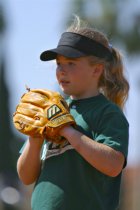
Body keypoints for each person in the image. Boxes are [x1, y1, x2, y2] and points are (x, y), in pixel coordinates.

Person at [17, 16, 129, 210]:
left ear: (96, 70)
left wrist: (67, 131)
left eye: (71, 63)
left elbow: (113, 166)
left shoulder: (107, 112)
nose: (61, 70)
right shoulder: (50, 110)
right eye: (59, 63)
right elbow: (26, 176)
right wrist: (34, 140)